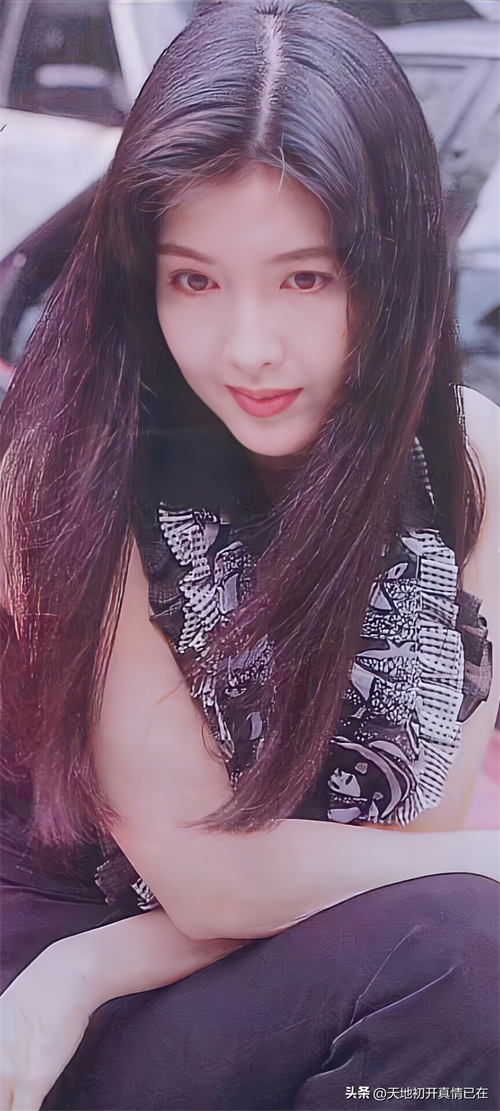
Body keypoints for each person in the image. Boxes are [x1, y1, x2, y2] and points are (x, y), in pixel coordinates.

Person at [0, 1, 498, 1108]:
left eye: (305, 278)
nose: (248, 347)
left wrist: (94, 970)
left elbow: (389, 861)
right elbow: (213, 876)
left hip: (184, 963)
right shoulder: (65, 472)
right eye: (194, 279)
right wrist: (72, 971)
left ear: (395, 265)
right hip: (39, 984)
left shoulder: (466, 464)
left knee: (467, 958)